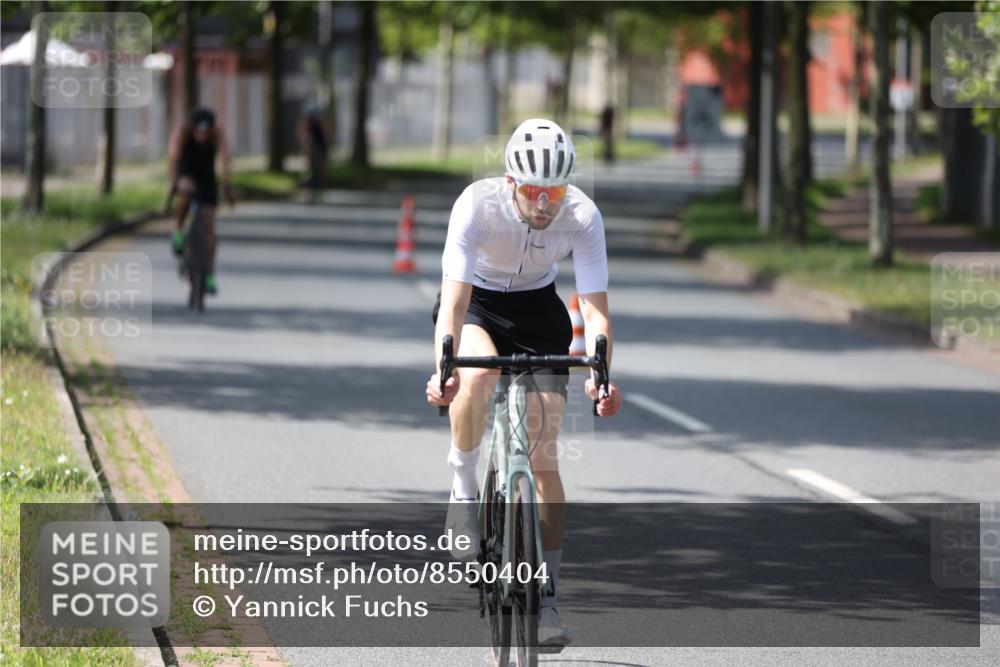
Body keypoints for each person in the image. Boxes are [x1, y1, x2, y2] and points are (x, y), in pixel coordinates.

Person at [426, 118, 623, 648]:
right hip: (479, 304)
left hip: (539, 310)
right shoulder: (476, 205)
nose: (543, 203)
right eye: (533, 190)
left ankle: (550, 600)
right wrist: (446, 367)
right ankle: (463, 483)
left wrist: (601, 375)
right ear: (510, 182)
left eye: (554, 191)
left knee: (543, 461)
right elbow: (453, 302)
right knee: (480, 371)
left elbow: (596, 312)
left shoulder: (582, 216)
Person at [167, 106, 233, 294]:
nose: (202, 134)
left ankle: (209, 275)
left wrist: (226, 184)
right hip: (187, 168)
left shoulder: (217, 132)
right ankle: (179, 231)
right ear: (192, 127)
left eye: (206, 131)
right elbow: (173, 158)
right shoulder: (182, 131)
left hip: (206, 173)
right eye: (199, 130)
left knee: (210, 227)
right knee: (186, 192)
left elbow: (224, 158)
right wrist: (174, 183)